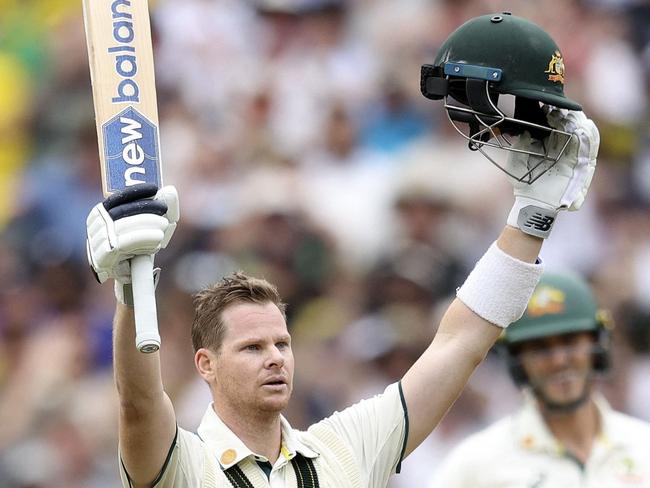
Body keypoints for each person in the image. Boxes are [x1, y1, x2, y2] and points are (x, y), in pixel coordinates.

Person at [84, 12, 599, 488]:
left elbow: (460, 343)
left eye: (281, 345)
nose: (274, 359)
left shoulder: (343, 450)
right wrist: (132, 289)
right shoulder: (186, 467)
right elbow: (139, 403)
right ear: (205, 365)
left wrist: (532, 216)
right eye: (252, 348)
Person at [429, 272, 650, 487]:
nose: (559, 360)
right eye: (539, 347)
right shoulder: (476, 465)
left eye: (570, 340)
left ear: (598, 345)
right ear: (517, 360)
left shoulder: (643, 445)